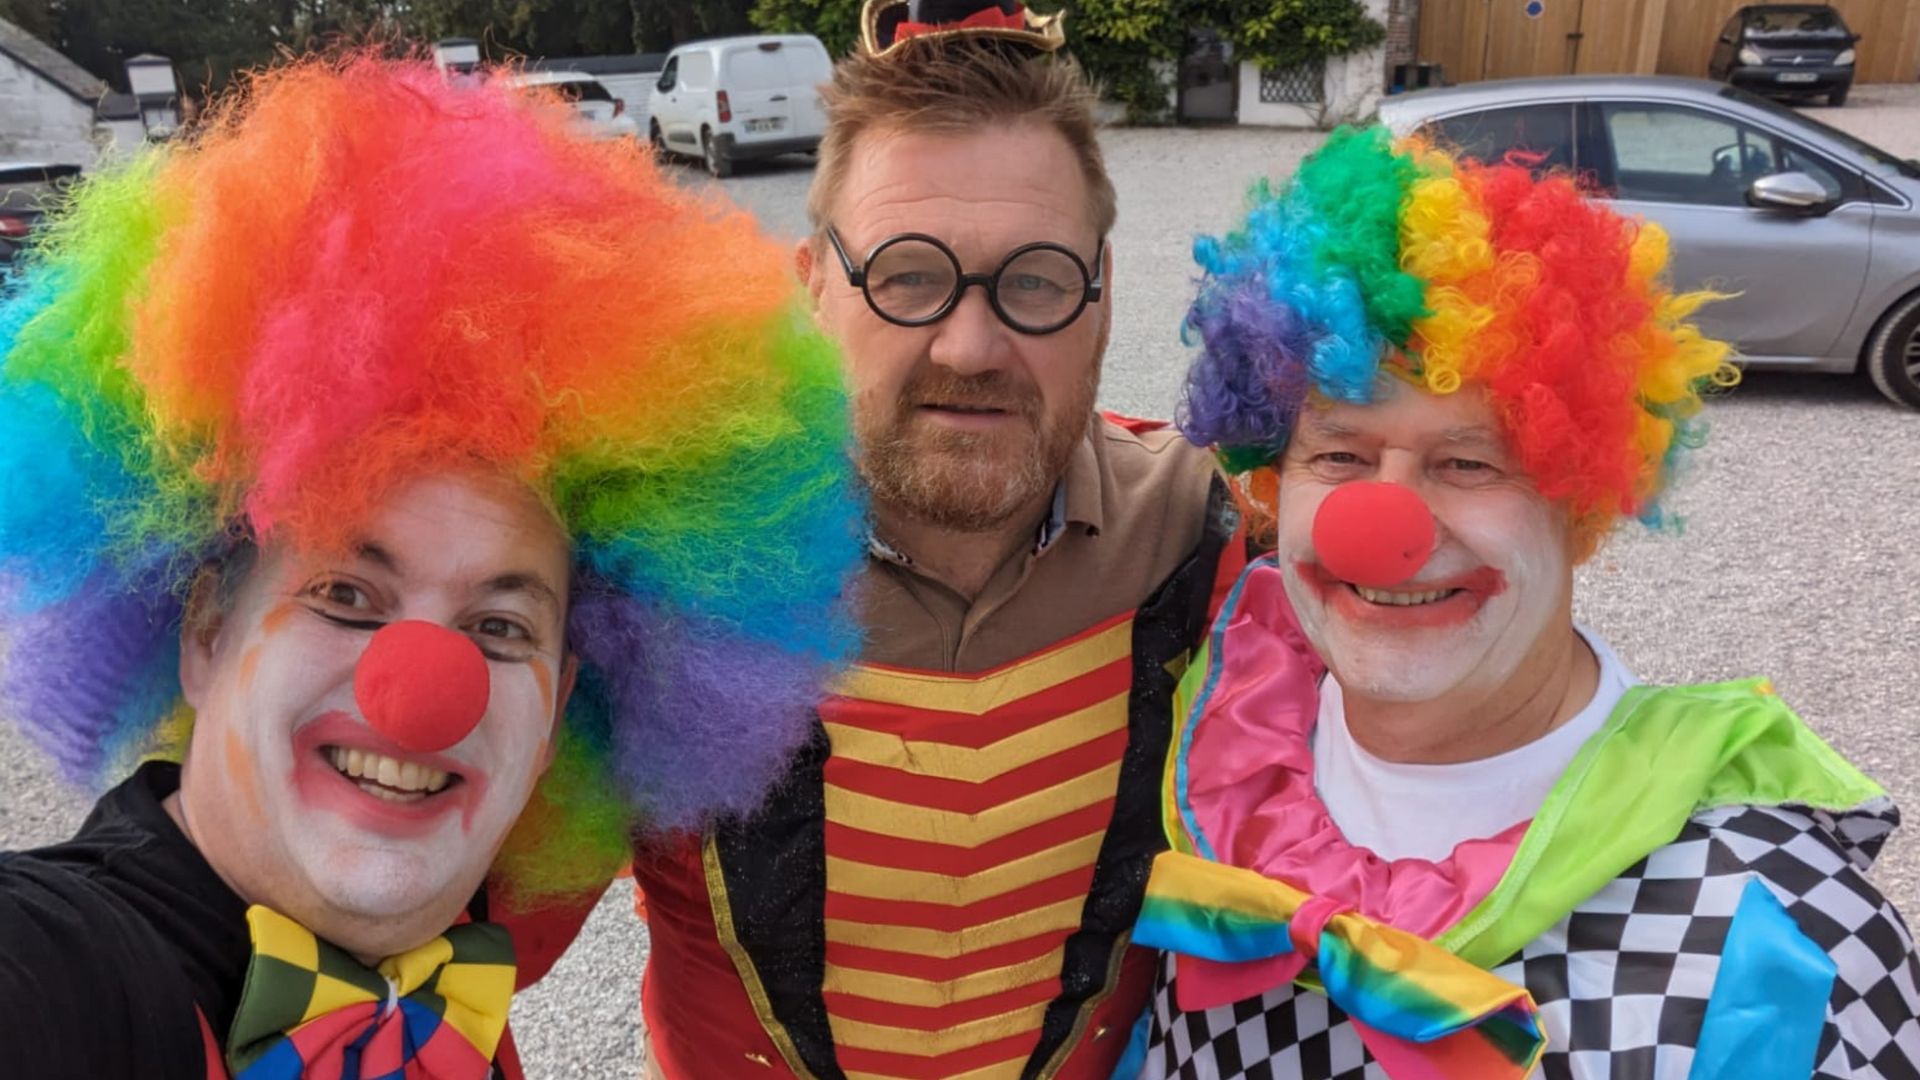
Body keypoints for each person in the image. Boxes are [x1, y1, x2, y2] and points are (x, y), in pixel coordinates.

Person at [0, 56, 862, 1079]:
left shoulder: (444, 1013)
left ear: (554, 718)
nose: (421, 692)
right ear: (204, 632)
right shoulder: (60, 973)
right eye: (348, 595)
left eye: (502, 626)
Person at [1122, 126, 1920, 1079]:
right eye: (1340, 456)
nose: (1386, 527)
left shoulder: (1790, 944)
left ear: (1580, 495)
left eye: (1470, 462)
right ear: (1270, 483)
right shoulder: (1221, 750)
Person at [628, 3, 1253, 1078]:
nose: (972, 346)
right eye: (908, 275)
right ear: (813, 286)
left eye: (1037, 281)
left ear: (1103, 298)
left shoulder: (1218, 544)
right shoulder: (653, 565)